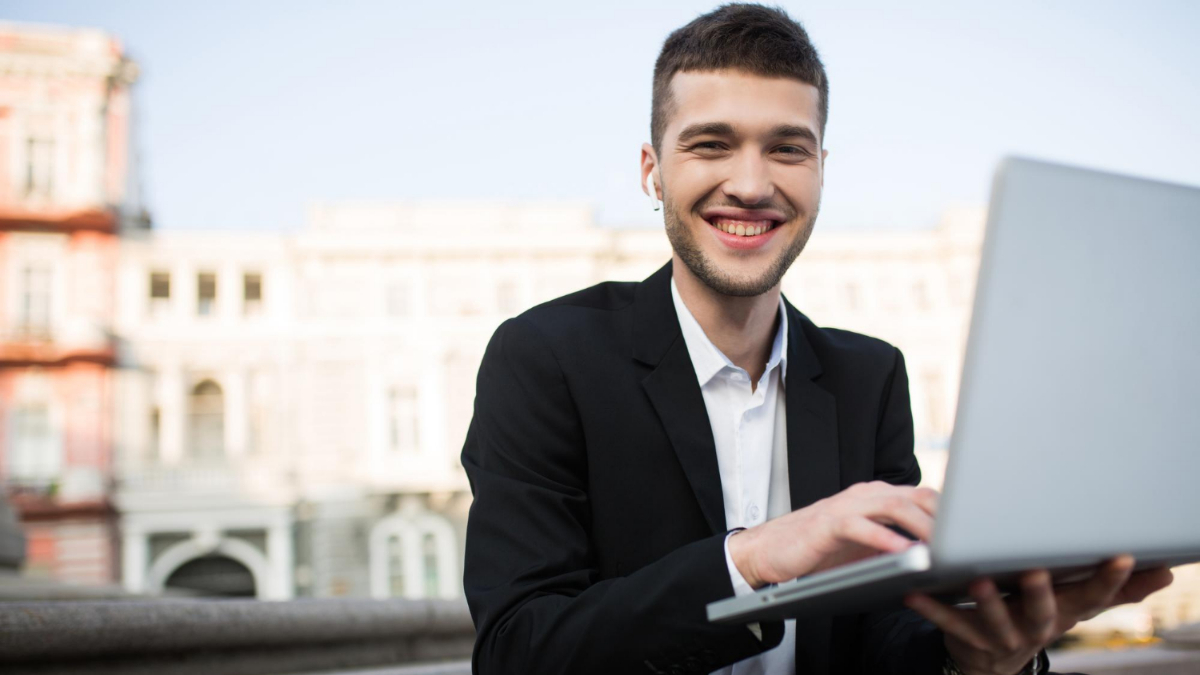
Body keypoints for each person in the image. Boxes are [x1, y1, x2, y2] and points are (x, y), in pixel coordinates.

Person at [460, 5, 1174, 674]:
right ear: (653, 171)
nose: (750, 183)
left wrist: (975, 658)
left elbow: (885, 632)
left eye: (786, 149)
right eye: (712, 145)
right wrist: (758, 556)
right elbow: (517, 649)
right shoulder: (544, 356)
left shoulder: (871, 375)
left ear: (822, 172)